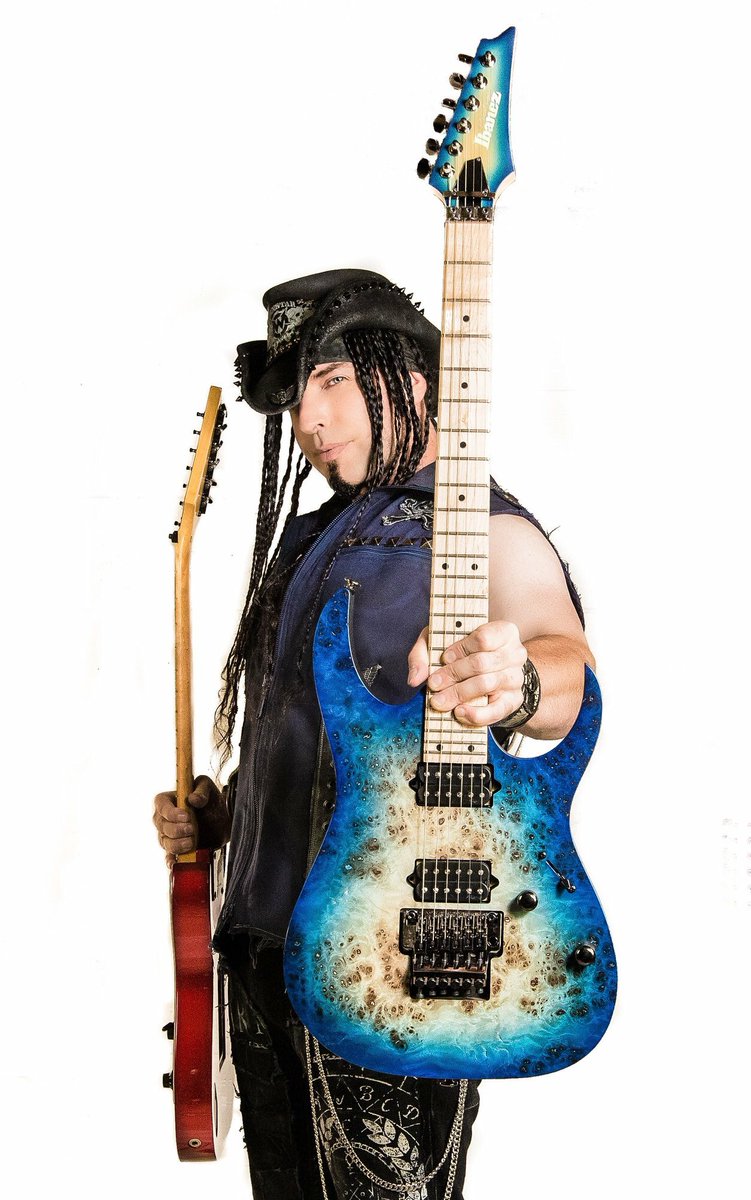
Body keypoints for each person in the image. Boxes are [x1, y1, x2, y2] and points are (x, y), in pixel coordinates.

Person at [153, 269, 594, 1200]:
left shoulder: (478, 525)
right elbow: (322, 740)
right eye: (295, 396)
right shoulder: (315, 536)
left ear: (416, 378)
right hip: (265, 938)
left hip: (390, 947)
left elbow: (566, 672)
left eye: (333, 380)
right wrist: (229, 818)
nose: (310, 419)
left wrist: (517, 681)